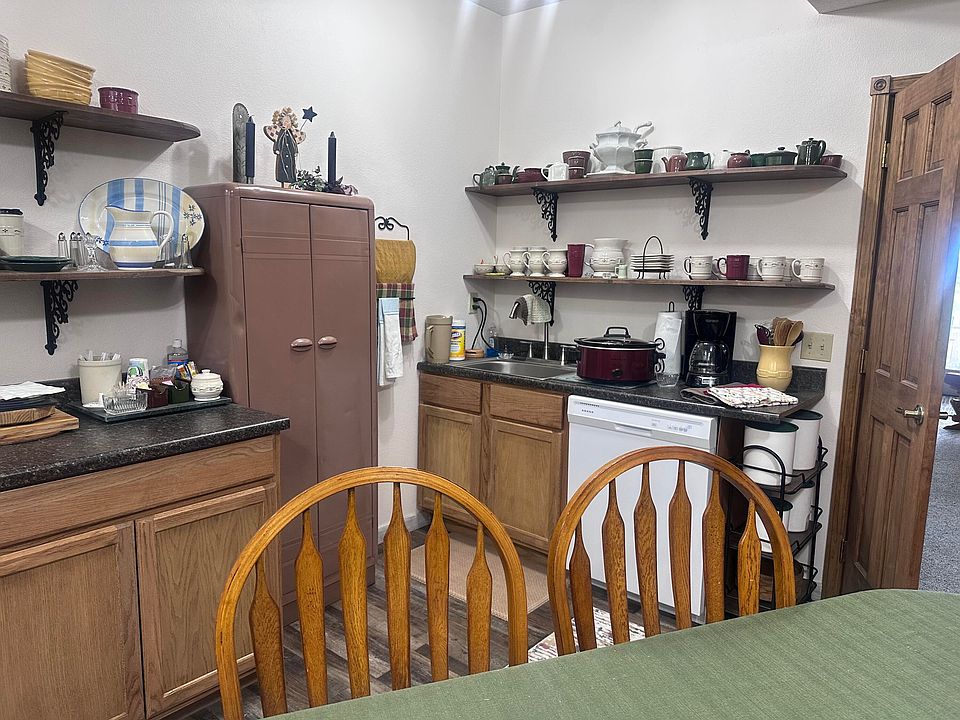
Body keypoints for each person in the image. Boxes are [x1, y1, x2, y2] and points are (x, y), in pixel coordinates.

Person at [264, 107, 306, 187]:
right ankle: (285, 183)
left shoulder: (291, 134)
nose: (286, 123)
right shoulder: (281, 133)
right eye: (285, 121)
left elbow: (293, 143)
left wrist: (295, 151)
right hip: (282, 155)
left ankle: (289, 182)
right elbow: (278, 141)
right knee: (283, 169)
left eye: (288, 121)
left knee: (290, 169)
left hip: (290, 156)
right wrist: (277, 149)